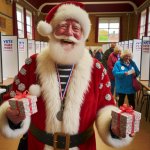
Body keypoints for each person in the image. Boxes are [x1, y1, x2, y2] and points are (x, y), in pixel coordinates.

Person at [0, 2, 134, 150]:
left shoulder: (96, 70)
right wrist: (12, 118)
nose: (69, 32)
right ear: (51, 30)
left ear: (83, 34)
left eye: (76, 28)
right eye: (63, 25)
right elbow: (11, 100)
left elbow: (106, 107)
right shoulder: (32, 64)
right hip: (38, 145)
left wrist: (113, 127)